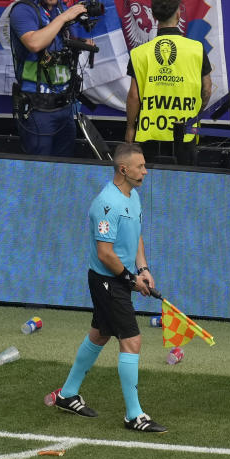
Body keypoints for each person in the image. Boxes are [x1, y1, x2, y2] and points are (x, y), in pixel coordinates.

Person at [54, 142, 167, 434]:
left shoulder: (133, 197)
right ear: (123, 169)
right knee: (132, 340)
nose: (145, 171)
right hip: (107, 280)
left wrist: (143, 269)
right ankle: (134, 415)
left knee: (100, 334)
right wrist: (132, 280)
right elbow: (105, 253)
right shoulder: (107, 204)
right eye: (140, 166)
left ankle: (67, 394)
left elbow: (137, 237)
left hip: (122, 277)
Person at [9, 0, 90, 157]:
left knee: (64, 167)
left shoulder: (60, 8)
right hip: (37, 107)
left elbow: (61, 41)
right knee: (38, 168)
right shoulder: (23, 10)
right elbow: (34, 43)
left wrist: (81, 41)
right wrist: (63, 18)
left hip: (64, 105)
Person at [124, 0, 212, 165]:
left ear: (155, 17)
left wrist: (130, 127)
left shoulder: (139, 53)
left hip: (150, 134)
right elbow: (207, 90)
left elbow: (134, 96)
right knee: (184, 186)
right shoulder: (196, 49)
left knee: (151, 187)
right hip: (186, 132)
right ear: (179, 14)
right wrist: (195, 112)